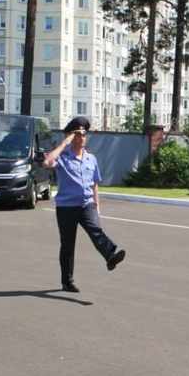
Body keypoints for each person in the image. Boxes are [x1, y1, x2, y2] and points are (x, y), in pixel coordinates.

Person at [44, 117, 126, 292]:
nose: (82, 137)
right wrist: (64, 143)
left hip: (86, 204)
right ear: (71, 137)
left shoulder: (91, 159)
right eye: (77, 134)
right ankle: (67, 281)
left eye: (83, 134)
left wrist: (97, 204)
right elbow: (47, 162)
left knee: (96, 231)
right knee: (67, 245)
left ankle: (110, 256)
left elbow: (94, 183)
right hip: (66, 207)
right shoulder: (63, 158)